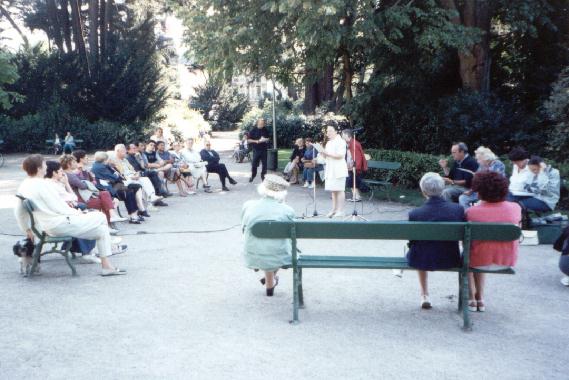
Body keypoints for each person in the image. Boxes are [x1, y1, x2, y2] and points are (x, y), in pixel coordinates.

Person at [14, 154, 126, 276]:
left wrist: (27, 229)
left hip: (47, 225)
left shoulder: (24, 185)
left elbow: (19, 211)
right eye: (44, 164)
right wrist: (78, 213)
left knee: (101, 230)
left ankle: (106, 266)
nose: (46, 166)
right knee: (100, 216)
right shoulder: (43, 184)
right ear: (39, 168)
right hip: (58, 224)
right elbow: (58, 207)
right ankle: (105, 250)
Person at [406, 173, 464, 309]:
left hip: (422, 259)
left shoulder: (415, 213)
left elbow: (412, 240)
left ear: (423, 191)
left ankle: (424, 294)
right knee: (421, 248)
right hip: (450, 258)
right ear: (442, 189)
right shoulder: (458, 209)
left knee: (418, 248)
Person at [466, 171, 521, 312]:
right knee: (483, 249)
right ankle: (481, 299)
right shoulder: (515, 208)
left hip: (478, 262)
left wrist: (479, 206)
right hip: (505, 262)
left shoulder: (471, 212)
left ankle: (472, 298)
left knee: (471, 251)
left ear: (479, 191)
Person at [241, 174, 295, 296]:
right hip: (279, 254)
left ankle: (270, 283)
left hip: (253, 252)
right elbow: (291, 234)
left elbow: (243, 227)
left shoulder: (248, 205)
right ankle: (271, 282)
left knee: (267, 245)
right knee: (277, 245)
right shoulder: (287, 210)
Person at [60, 154, 125, 226]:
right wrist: (86, 181)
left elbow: (86, 181)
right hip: (80, 198)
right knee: (105, 200)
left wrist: (85, 176)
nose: (76, 163)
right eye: (74, 162)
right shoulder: (69, 175)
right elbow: (83, 186)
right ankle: (109, 224)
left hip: (83, 195)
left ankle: (111, 219)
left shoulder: (71, 173)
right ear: (69, 165)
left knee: (105, 194)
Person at [91, 151, 144, 224]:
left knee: (136, 187)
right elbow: (114, 177)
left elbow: (118, 175)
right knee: (128, 192)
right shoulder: (100, 167)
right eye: (108, 159)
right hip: (109, 188)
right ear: (104, 159)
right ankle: (133, 215)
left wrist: (115, 172)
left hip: (115, 185)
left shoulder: (105, 165)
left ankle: (136, 212)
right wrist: (117, 176)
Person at [319, 125, 348, 218]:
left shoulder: (341, 142)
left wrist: (326, 153)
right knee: (333, 190)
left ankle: (341, 210)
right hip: (330, 169)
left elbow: (340, 155)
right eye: (327, 131)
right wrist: (322, 153)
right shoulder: (328, 143)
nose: (328, 133)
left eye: (330, 131)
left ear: (336, 131)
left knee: (339, 189)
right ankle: (334, 209)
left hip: (339, 169)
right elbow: (327, 156)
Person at [342, 129, 369, 202]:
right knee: (351, 181)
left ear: (348, 135)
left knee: (352, 181)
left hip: (356, 168)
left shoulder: (354, 144)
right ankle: (356, 196)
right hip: (351, 167)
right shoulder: (349, 143)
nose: (342, 136)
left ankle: (357, 196)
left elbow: (358, 157)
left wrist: (356, 168)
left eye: (343, 135)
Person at [248, 118, 270, 183]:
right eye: (261, 124)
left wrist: (265, 139)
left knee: (265, 165)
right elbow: (248, 140)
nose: (262, 125)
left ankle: (263, 177)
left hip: (264, 149)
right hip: (256, 149)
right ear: (258, 123)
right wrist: (256, 141)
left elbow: (268, 138)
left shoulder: (265, 129)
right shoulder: (253, 130)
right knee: (254, 164)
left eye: (263, 124)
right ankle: (253, 175)